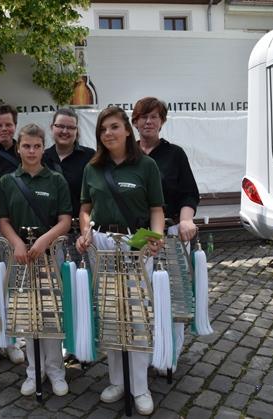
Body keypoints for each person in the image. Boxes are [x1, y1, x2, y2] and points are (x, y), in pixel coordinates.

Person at [76, 106, 164, 416]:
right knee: (110, 314)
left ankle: (139, 386)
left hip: (135, 244)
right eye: (103, 129)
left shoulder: (147, 166)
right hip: (101, 245)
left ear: (127, 130)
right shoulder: (92, 168)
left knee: (137, 315)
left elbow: (156, 209)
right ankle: (117, 380)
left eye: (114, 127)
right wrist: (85, 232)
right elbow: (85, 209)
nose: (108, 133)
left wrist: (156, 237)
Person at [0, 123, 72, 397]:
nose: (31, 151)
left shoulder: (56, 180)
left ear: (43, 148)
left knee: (51, 314)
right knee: (28, 314)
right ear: (18, 148)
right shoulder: (7, 181)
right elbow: (3, 220)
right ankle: (34, 370)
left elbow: (65, 220)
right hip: (21, 256)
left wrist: (45, 240)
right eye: (26, 146)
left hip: (49, 254)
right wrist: (17, 243)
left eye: (37, 146)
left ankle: (55, 370)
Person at [0, 103, 25, 364]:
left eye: (8, 124)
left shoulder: (24, 151)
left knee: (12, 286)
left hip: (16, 228)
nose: (4, 129)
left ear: (15, 125)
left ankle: (10, 340)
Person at [132, 97, 200, 242]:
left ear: (162, 121)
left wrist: (186, 220)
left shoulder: (175, 154)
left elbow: (189, 193)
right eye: (143, 117)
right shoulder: (126, 156)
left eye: (154, 117)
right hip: (132, 234)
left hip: (169, 232)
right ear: (135, 122)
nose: (148, 121)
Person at [43, 108, 95, 219]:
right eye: (60, 126)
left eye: (71, 127)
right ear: (52, 127)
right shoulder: (42, 157)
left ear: (77, 131)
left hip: (80, 225)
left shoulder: (90, 156)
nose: (65, 131)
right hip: (49, 226)